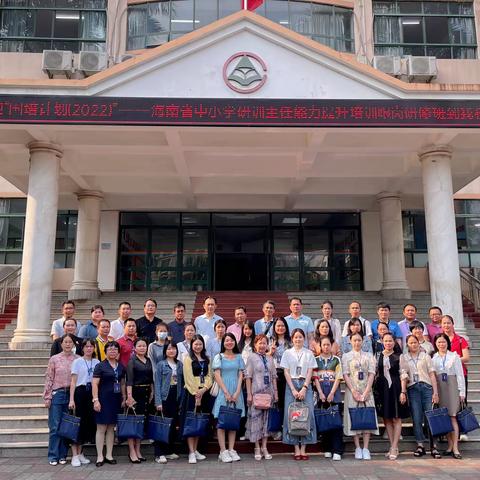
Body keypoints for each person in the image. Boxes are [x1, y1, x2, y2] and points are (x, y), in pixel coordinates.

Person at [400, 334, 440, 459]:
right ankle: (420, 445)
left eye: (415, 342)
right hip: (413, 389)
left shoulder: (426, 356)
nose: (413, 345)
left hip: (427, 388)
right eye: (410, 343)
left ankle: (434, 446)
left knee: (430, 417)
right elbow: (404, 375)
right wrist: (403, 391)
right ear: (407, 344)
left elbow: (432, 374)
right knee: (417, 418)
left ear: (419, 343)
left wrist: (435, 392)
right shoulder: (404, 357)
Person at [280, 328, 317, 460]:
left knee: (308, 415)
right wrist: (293, 390)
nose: (298, 339)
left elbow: (310, 371)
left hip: (305, 385)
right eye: (296, 337)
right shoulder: (287, 353)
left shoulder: (309, 353)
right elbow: (286, 372)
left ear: (304, 338)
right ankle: (296, 447)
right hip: (291, 385)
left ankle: (304, 448)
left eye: (300, 337)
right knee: (292, 416)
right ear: (292, 338)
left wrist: (304, 388)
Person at [43, 334, 79, 466]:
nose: (68, 344)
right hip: (57, 394)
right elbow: (49, 378)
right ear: (61, 344)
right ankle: (53, 455)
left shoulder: (77, 359)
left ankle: (63, 454)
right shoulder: (54, 359)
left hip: (71, 394)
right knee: (54, 426)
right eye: (65, 342)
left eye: (70, 342)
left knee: (66, 426)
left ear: (73, 344)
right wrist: (47, 396)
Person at [342, 332, 379, 460]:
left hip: (366, 391)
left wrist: (367, 391)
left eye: (359, 340)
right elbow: (346, 374)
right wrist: (353, 391)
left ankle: (366, 448)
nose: (357, 342)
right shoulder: (346, 356)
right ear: (350, 341)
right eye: (354, 340)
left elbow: (371, 374)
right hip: (352, 391)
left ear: (363, 341)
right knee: (354, 416)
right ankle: (357, 447)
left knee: (367, 416)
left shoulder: (369, 356)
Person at [374, 332, 409, 460]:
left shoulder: (399, 356)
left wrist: (403, 391)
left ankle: (394, 447)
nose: (388, 343)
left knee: (396, 417)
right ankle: (392, 446)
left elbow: (403, 374)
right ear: (382, 342)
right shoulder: (378, 356)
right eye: (386, 341)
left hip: (396, 388)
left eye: (390, 341)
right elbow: (376, 372)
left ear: (394, 342)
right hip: (382, 389)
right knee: (386, 418)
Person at [92, 341, 126, 467]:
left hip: (115, 400)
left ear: (118, 352)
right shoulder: (100, 366)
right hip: (103, 400)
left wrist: (124, 397)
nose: (113, 351)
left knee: (111, 428)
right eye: (110, 349)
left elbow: (122, 383)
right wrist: (95, 400)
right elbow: (95, 383)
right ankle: (100, 456)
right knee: (101, 428)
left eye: (115, 349)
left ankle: (109, 455)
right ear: (105, 352)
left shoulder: (121, 366)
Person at [212, 332, 245, 463]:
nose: (229, 342)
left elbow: (241, 375)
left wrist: (237, 392)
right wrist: (225, 392)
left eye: (231, 340)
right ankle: (223, 451)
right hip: (223, 391)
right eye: (226, 340)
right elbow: (217, 375)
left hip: (236, 391)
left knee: (233, 421)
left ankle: (231, 449)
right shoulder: (218, 357)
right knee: (221, 422)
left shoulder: (239, 357)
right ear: (223, 343)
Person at [432, 333, 466, 459]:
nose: (441, 344)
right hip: (440, 387)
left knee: (453, 416)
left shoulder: (454, 356)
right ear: (435, 344)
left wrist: (462, 391)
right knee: (445, 417)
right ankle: (450, 446)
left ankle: (456, 448)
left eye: (443, 342)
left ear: (447, 343)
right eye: (439, 342)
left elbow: (460, 375)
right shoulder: (433, 358)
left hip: (452, 387)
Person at [246, 334, 278, 460]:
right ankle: (257, 447)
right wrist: (249, 394)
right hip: (256, 393)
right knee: (256, 420)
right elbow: (248, 376)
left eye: (264, 343)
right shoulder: (251, 358)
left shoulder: (270, 358)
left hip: (268, 393)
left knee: (266, 421)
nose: (262, 345)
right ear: (255, 345)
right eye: (260, 343)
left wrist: (275, 392)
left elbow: (274, 376)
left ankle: (264, 447)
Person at [69, 338, 100, 466]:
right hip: (80, 393)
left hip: (91, 393)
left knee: (87, 423)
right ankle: (74, 455)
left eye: (91, 346)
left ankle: (81, 453)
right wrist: (71, 399)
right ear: (82, 348)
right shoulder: (77, 362)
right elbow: (73, 382)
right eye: (86, 346)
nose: (89, 348)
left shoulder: (97, 362)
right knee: (77, 423)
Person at [182, 334, 212, 464]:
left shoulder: (207, 359)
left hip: (204, 393)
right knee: (191, 421)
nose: (198, 346)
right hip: (191, 394)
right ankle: (191, 452)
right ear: (191, 345)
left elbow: (210, 376)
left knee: (200, 421)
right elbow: (188, 378)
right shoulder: (188, 358)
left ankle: (196, 449)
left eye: (200, 344)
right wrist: (196, 393)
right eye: (195, 344)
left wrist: (204, 389)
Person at [313, 336, 344, 461]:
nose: (326, 347)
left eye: (328, 345)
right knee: (324, 422)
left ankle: (337, 450)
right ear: (320, 346)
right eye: (323, 345)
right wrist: (320, 393)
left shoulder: (336, 360)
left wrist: (331, 393)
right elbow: (315, 378)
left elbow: (338, 377)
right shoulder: (315, 360)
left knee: (336, 423)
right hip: (321, 396)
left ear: (332, 346)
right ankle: (327, 448)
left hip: (334, 396)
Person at [154, 342, 184, 464]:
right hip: (164, 397)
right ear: (165, 351)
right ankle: (159, 453)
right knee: (162, 426)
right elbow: (157, 384)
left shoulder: (179, 364)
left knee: (172, 426)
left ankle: (169, 451)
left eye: (174, 349)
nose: (171, 351)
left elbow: (181, 383)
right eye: (169, 349)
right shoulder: (161, 364)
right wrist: (158, 402)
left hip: (175, 397)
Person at [126, 338, 153, 463]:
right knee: (133, 423)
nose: (142, 348)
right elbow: (129, 381)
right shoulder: (132, 361)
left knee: (141, 423)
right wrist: (129, 397)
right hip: (135, 394)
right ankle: (132, 451)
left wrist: (152, 391)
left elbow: (150, 378)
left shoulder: (148, 360)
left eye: (144, 346)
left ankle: (138, 450)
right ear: (135, 348)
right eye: (140, 346)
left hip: (146, 393)